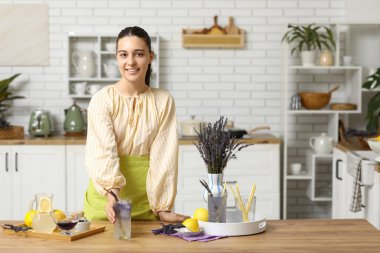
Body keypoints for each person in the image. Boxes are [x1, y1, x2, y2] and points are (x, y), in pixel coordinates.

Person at [83, 26, 188, 223]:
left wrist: (162, 207)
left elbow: (164, 158)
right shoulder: (102, 100)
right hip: (105, 205)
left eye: (139, 54)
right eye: (123, 54)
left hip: (148, 205)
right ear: (116, 58)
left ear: (151, 57)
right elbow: (102, 153)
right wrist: (112, 196)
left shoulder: (163, 101)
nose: (130, 62)